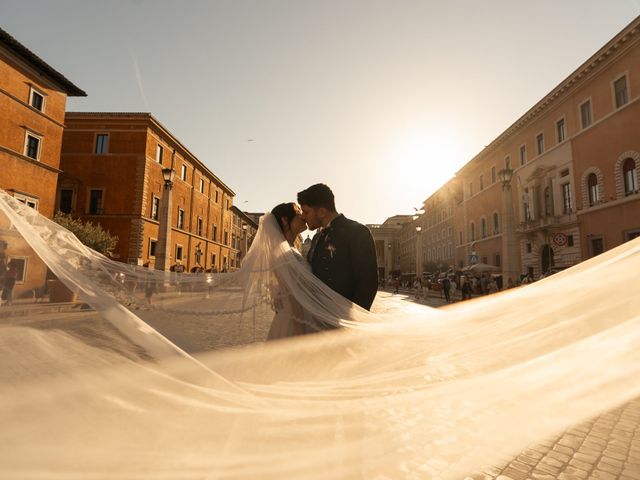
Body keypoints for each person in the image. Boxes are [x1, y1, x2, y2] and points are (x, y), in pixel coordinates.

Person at [298, 183, 378, 320]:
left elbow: (368, 282)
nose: (303, 217)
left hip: (344, 323)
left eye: (306, 212)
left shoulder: (358, 232)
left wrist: (352, 321)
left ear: (322, 212)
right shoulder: (317, 238)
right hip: (318, 321)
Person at [266, 202, 310, 340]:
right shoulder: (283, 254)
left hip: (298, 317)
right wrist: (301, 332)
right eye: (298, 213)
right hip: (294, 324)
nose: (303, 216)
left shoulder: (290, 249)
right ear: (285, 220)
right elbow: (293, 297)